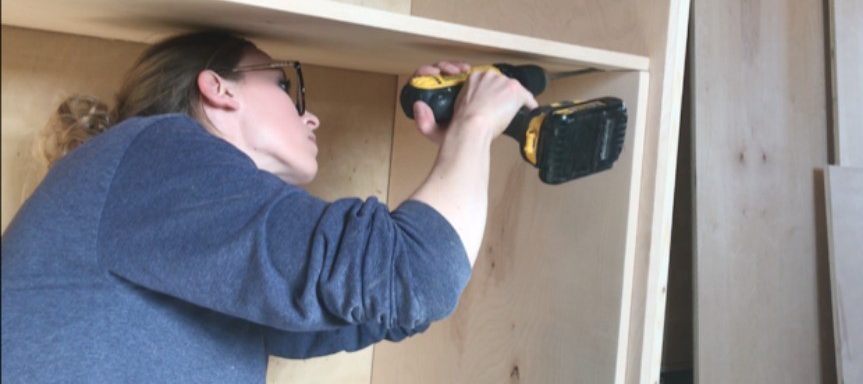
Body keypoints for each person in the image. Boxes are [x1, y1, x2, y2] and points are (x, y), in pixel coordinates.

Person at [0, 30, 537, 383]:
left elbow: (392, 298)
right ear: (218, 89)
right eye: (284, 85)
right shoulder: (157, 150)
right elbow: (411, 275)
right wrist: (473, 126)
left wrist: (465, 141)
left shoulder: (182, 230)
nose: (311, 118)